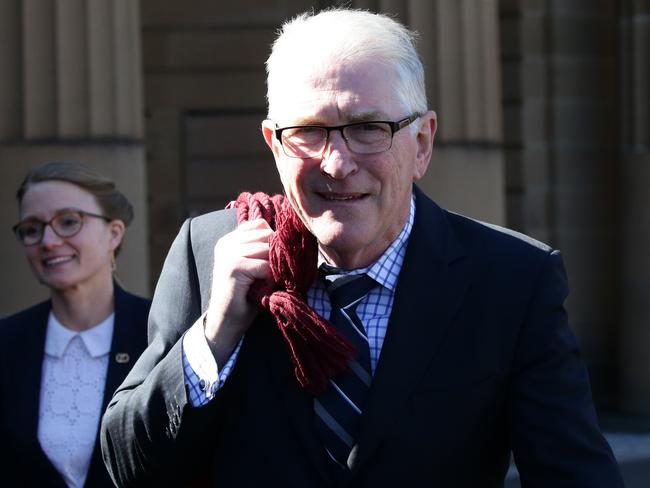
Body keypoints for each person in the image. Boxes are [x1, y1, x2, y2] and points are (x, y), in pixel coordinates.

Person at [100, 8, 623, 487]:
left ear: (422, 143)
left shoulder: (511, 280)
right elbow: (128, 466)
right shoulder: (211, 251)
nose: (336, 163)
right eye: (308, 131)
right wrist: (213, 339)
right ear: (273, 143)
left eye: (368, 128)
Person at [0, 161, 151, 488]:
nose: (48, 241)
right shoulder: (6, 344)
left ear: (114, 234)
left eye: (68, 222)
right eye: (31, 228)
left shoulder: (160, 334)